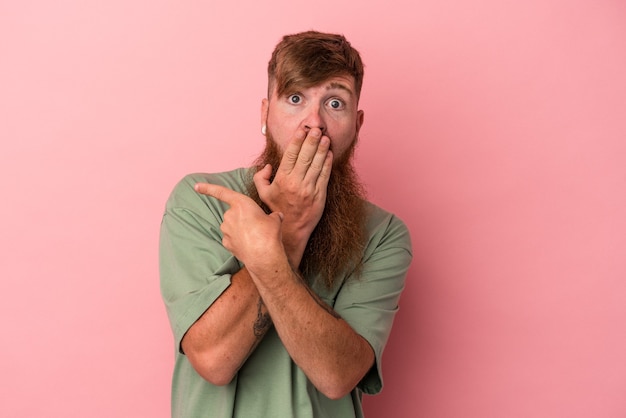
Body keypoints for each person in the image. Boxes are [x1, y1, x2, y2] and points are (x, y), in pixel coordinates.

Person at [160, 30, 412, 418]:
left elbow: (337, 375)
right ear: (265, 114)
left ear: (357, 125)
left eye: (334, 102)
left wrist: (269, 245)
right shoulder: (202, 201)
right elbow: (212, 360)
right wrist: (292, 226)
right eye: (295, 98)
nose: (314, 123)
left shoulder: (384, 235)